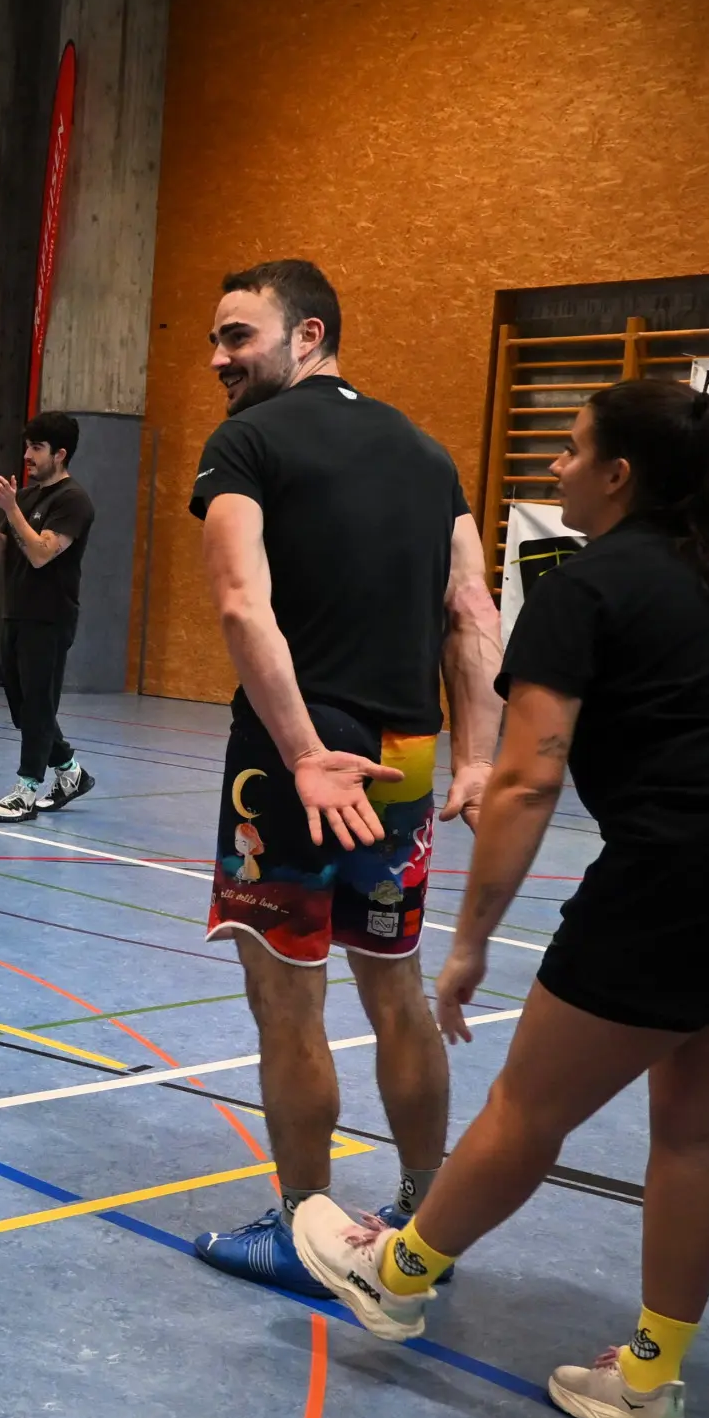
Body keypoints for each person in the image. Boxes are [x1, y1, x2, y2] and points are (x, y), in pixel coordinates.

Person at [289, 379, 709, 1418]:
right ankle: (648, 1383)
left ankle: (398, 1274)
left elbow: (523, 781)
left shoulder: (585, 585)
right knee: (698, 1128)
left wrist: (465, 945)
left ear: (620, 475)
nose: (552, 468)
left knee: (525, 1106)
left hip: (693, 877)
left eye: (569, 450)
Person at [182, 259, 503, 1297]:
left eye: (240, 335)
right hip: (404, 756)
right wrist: (480, 753)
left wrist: (300, 746)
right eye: (218, 340)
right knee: (394, 983)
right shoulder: (430, 454)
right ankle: (422, 1223)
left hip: (297, 762)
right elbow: (474, 614)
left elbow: (241, 602)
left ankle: (305, 1228)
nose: (222, 358)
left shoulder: (246, 441)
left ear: (308, 334)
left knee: (288, 1001)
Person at [0, 411, 98, 820]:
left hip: (50, 617)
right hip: (16, 614)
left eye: (36, 448)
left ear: (60, 454)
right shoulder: (22, 498)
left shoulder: (73, 501)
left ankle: (26, 788)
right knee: (24, 709)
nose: (27, 455)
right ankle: (70, 772)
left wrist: (12, 509)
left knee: (38, 706)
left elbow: (42, 553)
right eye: (27, 446)